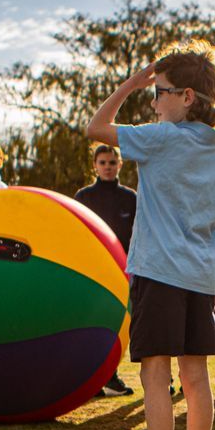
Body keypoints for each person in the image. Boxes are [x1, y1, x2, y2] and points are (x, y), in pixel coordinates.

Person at [84, 39, 215, 430]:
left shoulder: (159, 137)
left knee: (155, 374)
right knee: (196, 378)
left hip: (157, 273)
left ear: (187, 97)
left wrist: (131, 83)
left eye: (161, 92)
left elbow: (95, 127)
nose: (155, 100)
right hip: (198, 279)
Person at [75, 143, 138, 396]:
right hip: (93, 273)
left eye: (112, 163)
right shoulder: (83, 197)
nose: (108, 167)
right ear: (95, 166)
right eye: (103, 163)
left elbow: (138, 236)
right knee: (93, 325)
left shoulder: (130, 198)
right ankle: (91, 380)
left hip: (125, 273)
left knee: (119, 325)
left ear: (120, 165)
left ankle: (111, 377)